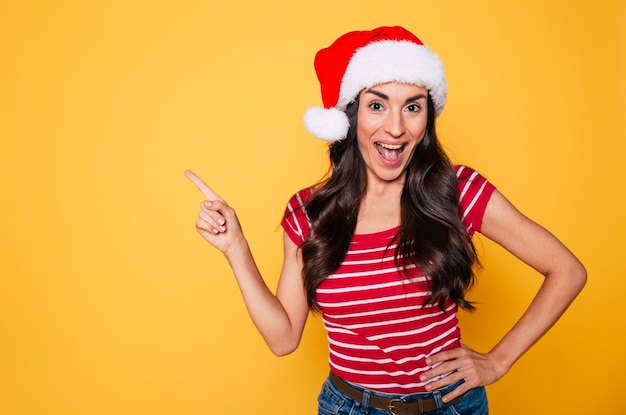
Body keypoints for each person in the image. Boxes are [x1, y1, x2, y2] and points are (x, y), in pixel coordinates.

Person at [185, 26, 586, 415]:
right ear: (351, 115)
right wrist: (236, 249)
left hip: (450, 407)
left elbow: (567, 270)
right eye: (377, 105)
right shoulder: (309, 213)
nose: (396, 127)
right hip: (348, 408)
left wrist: (499, 360)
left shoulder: (459, 192)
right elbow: (283, 338)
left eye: (413, 107)